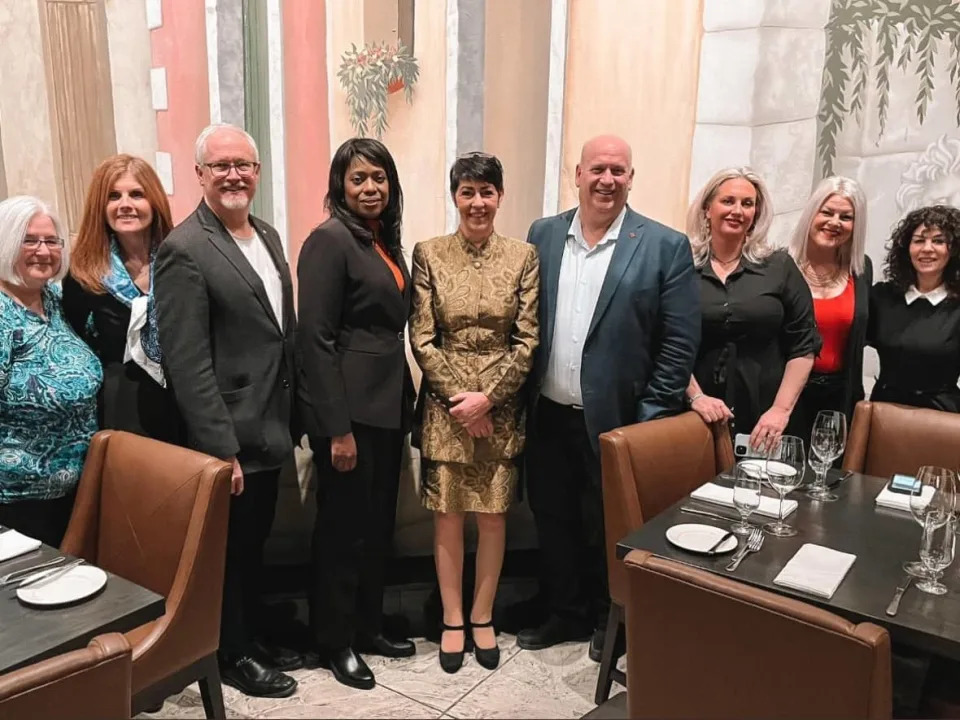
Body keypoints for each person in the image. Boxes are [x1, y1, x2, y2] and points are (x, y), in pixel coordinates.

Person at [519, 135, 700, 657]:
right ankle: (565, 612)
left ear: (630, 178)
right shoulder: (544, 235)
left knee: (609, 527)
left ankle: (609, 621)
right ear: (577, 174)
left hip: (618, 422)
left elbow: (678, 344)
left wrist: (646, 420)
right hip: (549, 414)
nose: (607, 180)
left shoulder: (664, 245)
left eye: (619, 171)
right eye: (598, 169)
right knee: (552, 518)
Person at [155, 123, 300, 698]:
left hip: (272, 426)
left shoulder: (265, 233)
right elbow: (187, 364)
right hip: (231, 438)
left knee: (253, 544)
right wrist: (221, 448)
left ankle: (252, 635)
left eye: (243, 164)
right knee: (228, 553)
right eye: (220, 166)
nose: (234, 174)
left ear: (258, 173)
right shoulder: (184, 248)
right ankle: (232, 653)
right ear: (200, 175)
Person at [410, 152, 539, 673]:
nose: (478, 202)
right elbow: (422, 337)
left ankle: (483, 616)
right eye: (468, 192)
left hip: (502, 409)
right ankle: (452, 619)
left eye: (487, 192)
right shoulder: (429, 253)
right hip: (445, 411)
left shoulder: (524, 256)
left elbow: (527, 340)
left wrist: (488, 399)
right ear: (455, 196)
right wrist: (463, 403)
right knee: (447, 519)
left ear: (500, 196)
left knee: (491, 518)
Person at [297, 138, 415, 691]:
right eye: (358, 180)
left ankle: (367, 626)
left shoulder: (380, 241)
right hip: (349, 415)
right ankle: (334, 640)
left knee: (376, 527)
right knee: (343, 531)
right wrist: (336, 429)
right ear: (339, 187)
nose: (371, 189)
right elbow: (315, 341)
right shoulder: (328, 241)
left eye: (379, 179)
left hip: (387, 407)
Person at [684, 167, 819, 451]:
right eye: (728, 201)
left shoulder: (779, 266)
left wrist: (780, 411)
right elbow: (665, 339)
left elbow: (803, 345)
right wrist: (695, 397)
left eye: (748, 204)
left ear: (756, 214)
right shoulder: (681, 265)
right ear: (707, 208)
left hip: (767, 419)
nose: (738, 210)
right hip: (698, 413)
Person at [0, 196, 102, 547]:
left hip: (76, 493)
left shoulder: (56, 300)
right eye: (29, 240)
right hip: (17, 505)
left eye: (51, 241)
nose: (42, 251)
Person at [62, 154, 181, 443]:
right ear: (100, 207)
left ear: (154, 201)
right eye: (113, 196)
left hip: (181, 402)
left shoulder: (180, 261)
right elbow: (75, 346)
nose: (125, 204)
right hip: (121, 411)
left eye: (136, 194)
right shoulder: (84, 274)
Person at [788, 176, 871, 440]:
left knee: (832, 475)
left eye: (846, 217)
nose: (835, 223)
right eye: (827, 212)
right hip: (785, 395)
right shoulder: (780, 266)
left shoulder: (861, 270)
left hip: (840, 399)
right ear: (811, 214)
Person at [868, 205, 960, 411]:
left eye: (938, 241)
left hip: (941, 416)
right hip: (883, 411)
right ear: (906, 249)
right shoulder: (882, 297)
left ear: (953, 250)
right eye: (919, 240)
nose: (927, 248)